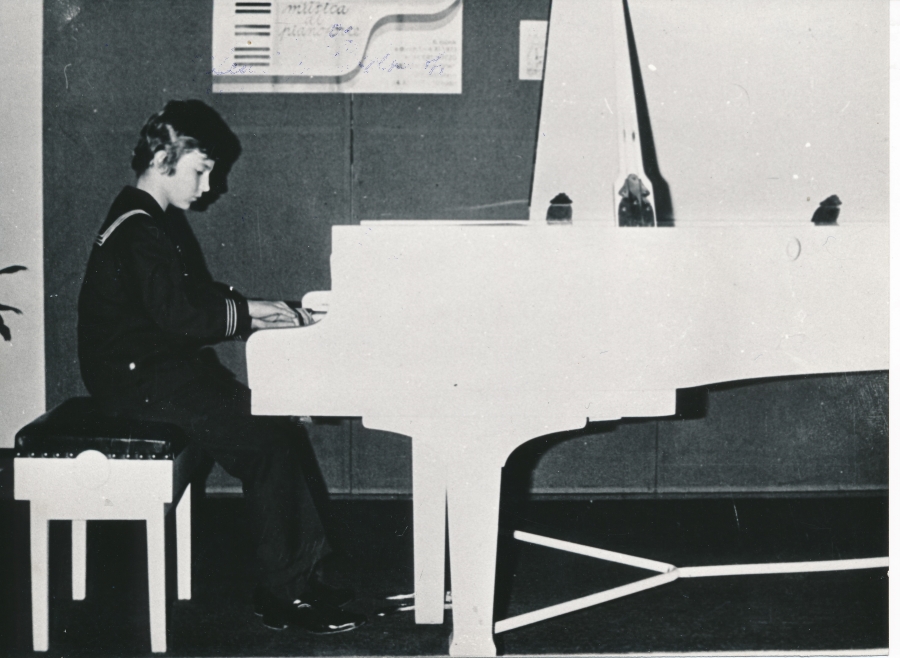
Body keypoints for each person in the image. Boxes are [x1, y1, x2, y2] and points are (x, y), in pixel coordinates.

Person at [77, 99, 366, 635]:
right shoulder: (142, 226)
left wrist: (258, 310)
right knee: (268, 443)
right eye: (201, 170)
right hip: (140, 380)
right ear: (164, 155)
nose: (208, 186)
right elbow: (181, 314)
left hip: (152, 371)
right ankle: (285, 594)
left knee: (271, 432)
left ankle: (300, 577)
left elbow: (184, 300)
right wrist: (250, 317)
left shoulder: (143, 215)